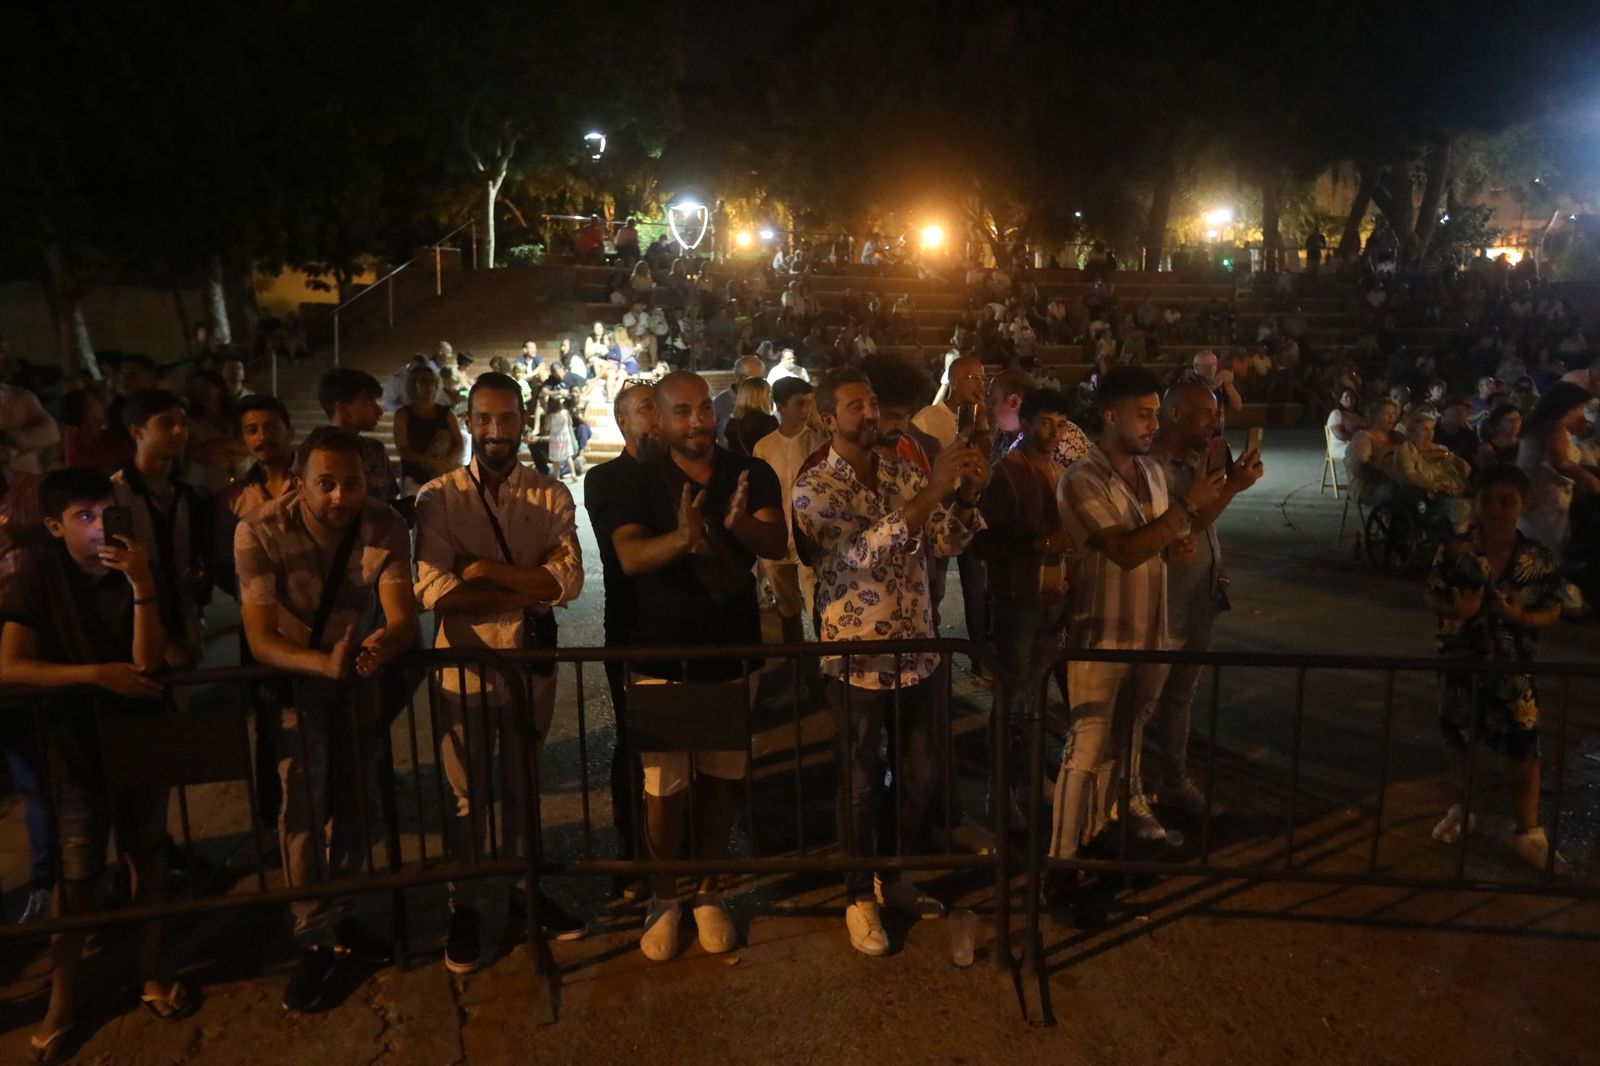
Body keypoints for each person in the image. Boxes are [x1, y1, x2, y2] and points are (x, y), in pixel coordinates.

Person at [2, 469, 196, 1059]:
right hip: (73, 746)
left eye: (105, 514)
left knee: (148, 854)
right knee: (77, 877)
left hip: (140, 740)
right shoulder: (40, 573)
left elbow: (146, 662)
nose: (97, 529)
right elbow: (9, 665)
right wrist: (92, 675)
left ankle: (152, 972)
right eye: (83, 518)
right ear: (55, 526)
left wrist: (141, 584)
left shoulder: (137, 569)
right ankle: (65, 997)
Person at [793, 368, 987, 955]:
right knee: (856, 780)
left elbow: (943, 543)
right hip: (859, 658)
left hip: (918, 650)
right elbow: (858, 555)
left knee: (921, 773)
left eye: (873, 401)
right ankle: (858, 895)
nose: (870, 413)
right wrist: (934, 492)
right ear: (828, 418)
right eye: (856, 405)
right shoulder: (814, 485)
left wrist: (966, 496)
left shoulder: (903, 468)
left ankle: (893, 874)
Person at [234, 426, 418, 1011]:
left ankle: (347, 913)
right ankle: (312, 936)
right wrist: (320, 662)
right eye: (326, 484)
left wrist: (380, 648)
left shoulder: (385, 525)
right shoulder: (260, 529)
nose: (340, 496)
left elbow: (402, 619)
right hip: (297, 681)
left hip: (358, 678)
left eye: (352, 483)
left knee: (361, 800)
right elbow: (260, 636)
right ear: (299, 481)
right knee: (303, 809)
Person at [609, 371, 786, 962]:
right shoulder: (635, 480)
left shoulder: (749, 471)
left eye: (703, 410)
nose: (696, 422)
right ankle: (664, 896)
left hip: (730, 650)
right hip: (659, 654)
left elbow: (777, 542)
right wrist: (682, 541)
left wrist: (738, 526)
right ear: (657, 418)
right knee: (664, 790)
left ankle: (708, 889)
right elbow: (631, 556)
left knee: (721, 781)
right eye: (681, 411)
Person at [414, 372, 587, 972]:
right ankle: (463, 905)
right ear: (467, 421)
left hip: (529, 668)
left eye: (505, 418)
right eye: (483, 419)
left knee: (522, 786)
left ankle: (521, 891)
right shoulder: (437, 498)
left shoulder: (550, 494)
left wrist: (481, 569)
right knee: (466, 796)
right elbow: (435, 591)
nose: (494, 431)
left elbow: (569, 582)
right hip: (462, 670)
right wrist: (526, 588)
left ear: (522, 420)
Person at [1048, 367, 1223, 890]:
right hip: (1103, 634)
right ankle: (1059, 862)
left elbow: (1159, 539)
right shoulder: (1081, 477)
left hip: (1153, 629)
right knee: (1085, 747)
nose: (1153, 423)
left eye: (1154, 413)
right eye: (1143, 413)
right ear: (1110, 415)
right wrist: (1183, 513)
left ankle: (1103, 831)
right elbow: (1123, 549)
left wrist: (1179, 542)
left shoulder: (1148, 472)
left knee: (1126, 740)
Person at [1425, 465, 1569, 874]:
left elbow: (1552, 610)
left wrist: (1521, 617)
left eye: (1507, 500)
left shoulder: (1537, 559)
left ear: (1523, 503)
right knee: (1459, 740)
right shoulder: (1454, 551)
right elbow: (1430, 595)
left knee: (1523, 746)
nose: (1496, 508)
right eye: (1488, 499)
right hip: (1459, 662)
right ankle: (1463, 808)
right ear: (1476, 501)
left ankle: (1528, 831)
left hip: (1514, 667)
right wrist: (1456, 610)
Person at [1149, 382, 1262, 819]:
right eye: (1205, 415)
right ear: (1173, 414)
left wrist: (1232, 479)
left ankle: (1174, 781)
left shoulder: (1200, 458)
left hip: (1199, 596)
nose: (1215, 423)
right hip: (1164, 601)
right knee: (1143, 702)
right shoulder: (1154, 466)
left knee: (1181, 695)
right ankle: (1129, 790)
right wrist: (1231, 488)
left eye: (1216, 415)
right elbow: (1184, 527)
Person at [973, 388, 1076, 829]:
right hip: (1018, 601)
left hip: (1054, 599)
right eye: (1046, 423)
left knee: (1036, 699)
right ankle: (1000, 792)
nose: (1054, 432)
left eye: (1060, 423)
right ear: (1026, 421)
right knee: (1013, 699)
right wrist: (1032, 544)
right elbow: (979, 540)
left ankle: (1031, 778)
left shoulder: (1060, 470)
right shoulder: (1006, 473)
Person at [582, 383, 660, 900]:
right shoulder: (604, 479)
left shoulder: (684, 471)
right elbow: (626, 553)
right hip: (633, 624)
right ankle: (633, 848)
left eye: (660, 408)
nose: (655, 419)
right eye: (645, 410)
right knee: (636, 738)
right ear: (623, 421)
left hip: (687, 625)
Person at [112, 389, 208, 664]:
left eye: (183, 422)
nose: (180, 431)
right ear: (137, 432)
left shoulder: (185, 495)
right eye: (166, 423)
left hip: (183, 620)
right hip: (132, 634)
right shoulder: (115, 493)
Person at [915, 354, 992, 663]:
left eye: (983, 379)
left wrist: (983, 430)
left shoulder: (980, 419)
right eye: (973, 379)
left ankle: (980, 657)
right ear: (954, 382)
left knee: (977, 588)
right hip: (938, 514)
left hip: (968, 511)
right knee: (935, 587)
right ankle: (927, 651)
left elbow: (984, 462)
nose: (980, 385)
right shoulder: (928, 419)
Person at [751, 377, 829, 649]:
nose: (807, 409)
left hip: (809, 538)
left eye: (809, 403)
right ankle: (795, 663)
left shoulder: (818, 444)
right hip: (775, 536)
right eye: (800, 403)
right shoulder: (764, 447)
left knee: (817, 601)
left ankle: (825, 658)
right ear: (781, 406)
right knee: (787, 607)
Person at [1516, 382, 1600, 556]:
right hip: (1543, 501)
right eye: (1579, 408)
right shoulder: (1554, 428)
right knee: (1543, 553)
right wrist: (1594, 483)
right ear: (1566, 407)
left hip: (1541, 497)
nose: (1581, 414)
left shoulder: (1545, 425)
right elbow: (1562, 463)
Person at [319, 368, 400, 505]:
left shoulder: (375, 449)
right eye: (368, 402)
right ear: (343, 409)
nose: (379, 411)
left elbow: (389, 499)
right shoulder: (316, 451)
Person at [1394, 409, 1473, 533]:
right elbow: (1410, 475)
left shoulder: (1440, 449)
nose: (1429, 434)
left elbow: (1464, 469)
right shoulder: (1405, 450)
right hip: (1422, 496)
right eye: (1424, 429)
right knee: (1461, 508)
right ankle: (1456, 541)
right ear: (1412, 431)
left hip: (1449, 492)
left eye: (1432, 429)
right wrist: (1436, 486)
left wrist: (1452, 458)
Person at [393, 363, 463, 490]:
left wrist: (448, 461)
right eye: (423, 382)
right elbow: (403, 449)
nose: (429, 386)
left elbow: (459, 442)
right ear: (413, 385)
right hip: (415, 476)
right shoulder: (403, 415)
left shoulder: (446, 413)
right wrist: (429, 461)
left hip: (445, 472)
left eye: (432, 382)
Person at [0, 340, 61, 475]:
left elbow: (52, 433)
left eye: (2, 352)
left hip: (24, 483)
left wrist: (12, 440)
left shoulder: (22, 397)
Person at [60, 389, 134, 473]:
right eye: (95, 402)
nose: (100, 405)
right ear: (88, 414)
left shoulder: (97, 434)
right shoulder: (84, 444)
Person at [1345, 398, 1401, 506]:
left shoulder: (1397, 437)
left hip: (1397, 481)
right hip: (1371, 485)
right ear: (1374, 415)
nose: (1391, 418)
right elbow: (1361, 465)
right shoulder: (1363, 437)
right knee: (1395, 493)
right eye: (1386, 413)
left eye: (1394, 414)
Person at [713, 354, 765, 440]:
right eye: (755, 380)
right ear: (739, 376)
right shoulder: (719, 404)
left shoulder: (765, 400)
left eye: (762, 380)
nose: (759, 385)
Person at [723, 377, 777, 456]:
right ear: (763, 396)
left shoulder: (732, 423)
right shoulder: (769, 422)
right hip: (761, 466)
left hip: (739, 467)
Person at [1476, 403, 1523, 470]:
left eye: (1517, 419)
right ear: (1497, 424)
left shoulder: (1524, 443)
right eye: (1510, 420)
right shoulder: (1487, 449)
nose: (1515, 424)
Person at [1325, 388, 1365, 461]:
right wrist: (1358, 438)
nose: (1349, 399)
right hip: (1340, 446)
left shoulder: (1360, 416)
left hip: (1359, 444)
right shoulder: (1336, 414)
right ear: (1340, 400)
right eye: (1346, 397)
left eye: (1352, 397)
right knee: (1361, 450)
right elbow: (1339, 435)